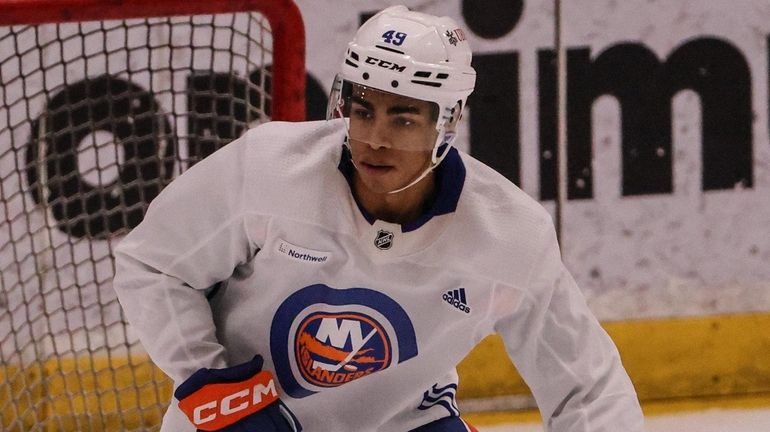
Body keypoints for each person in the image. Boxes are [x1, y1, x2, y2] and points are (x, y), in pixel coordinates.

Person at [113, 5, 644, 432]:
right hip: (241, 418)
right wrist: (216, 385)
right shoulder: (269, 169)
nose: (376, 139)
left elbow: (588, 389)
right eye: (364, 110)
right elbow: (154, 266)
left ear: (448, 122)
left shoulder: (509, 237)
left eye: (404, 117)